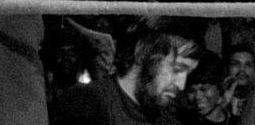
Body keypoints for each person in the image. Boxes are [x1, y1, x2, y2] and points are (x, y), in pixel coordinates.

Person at [51, 19, 202, 124]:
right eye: (177, 68)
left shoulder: (169, 122)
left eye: (188, 73)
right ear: (143, 52)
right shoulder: (84, 103)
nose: (181, 85)